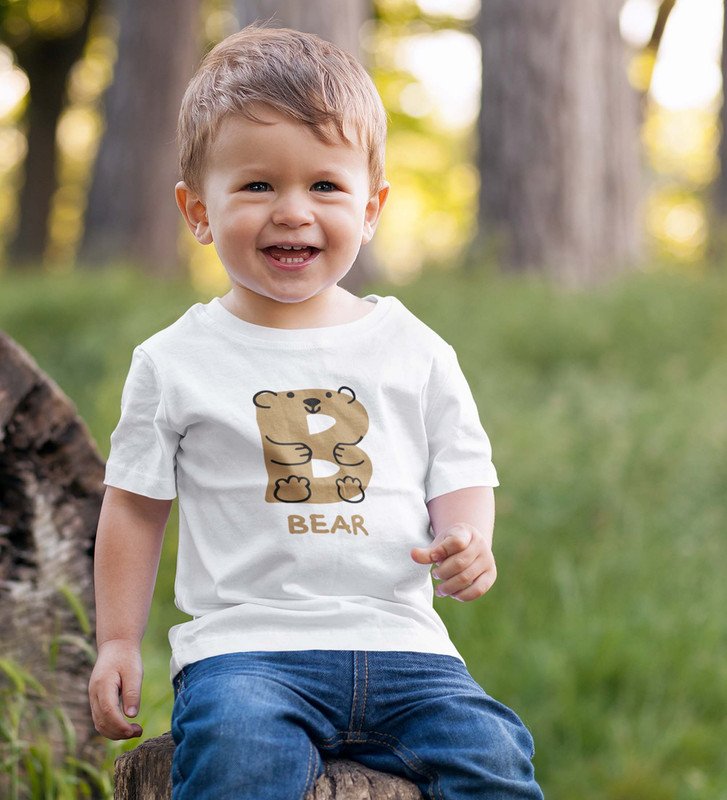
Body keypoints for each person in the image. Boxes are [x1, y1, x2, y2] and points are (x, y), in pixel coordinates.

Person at [88, 25, 544, 800]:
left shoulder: (411, 347)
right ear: (197, 210)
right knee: (237, 758)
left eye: (325, 186)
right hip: (247, 654)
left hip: (407, 651)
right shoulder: (175, 361)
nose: (293, 212)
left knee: (494, 754)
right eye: (257, 186)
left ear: (371, 208)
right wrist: (118, 642)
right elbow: (133, 507)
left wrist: (468, 538)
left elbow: (459, 467)